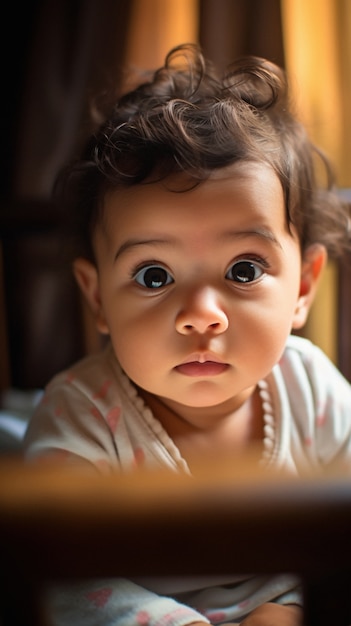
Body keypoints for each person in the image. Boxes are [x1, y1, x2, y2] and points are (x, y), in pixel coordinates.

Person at [24, 43, 351, 626]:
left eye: (243, 270)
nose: (200, 315)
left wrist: (288, 606)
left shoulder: (312, 389)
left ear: (303, 286)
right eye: (154, 276)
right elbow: (68, 582)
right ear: (98, 296)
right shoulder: (82, 417)